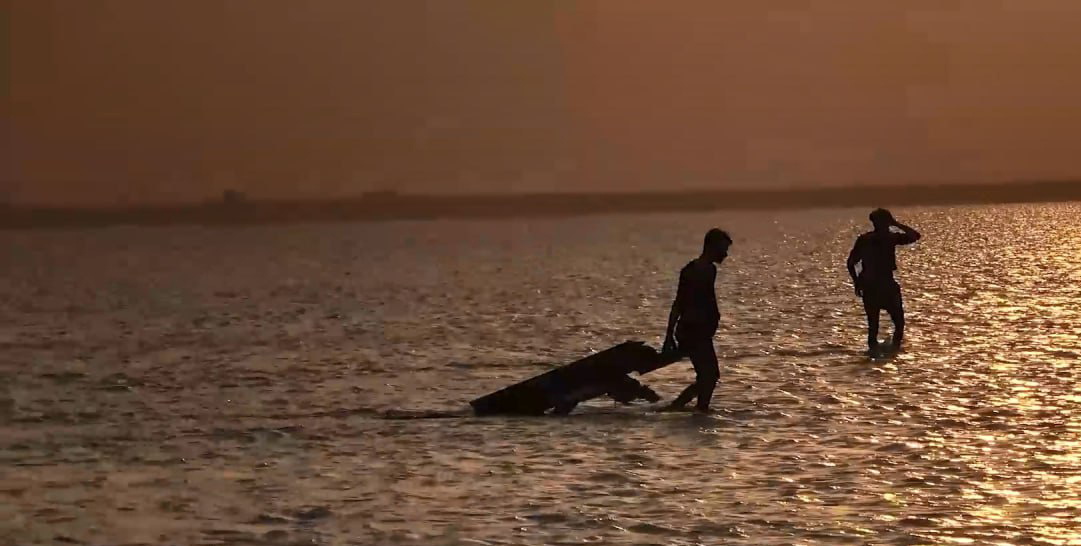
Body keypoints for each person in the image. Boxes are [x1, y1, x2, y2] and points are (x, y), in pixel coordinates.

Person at [661, 228, 732, 413]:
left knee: (707, 376)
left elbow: (699, 301)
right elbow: (681, 302)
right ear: (711, 247)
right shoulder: (700, 270)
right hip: (692, 331)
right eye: (722, 249)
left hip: (695, 331)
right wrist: (669, 335)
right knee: (710, 376)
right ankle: (684, 408)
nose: (725, 254)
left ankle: (695, 409)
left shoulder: (702, 269)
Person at [846, 208, 922, 356]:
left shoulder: (872, 239)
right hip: (881, 285)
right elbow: (914, 235)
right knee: (895, 323)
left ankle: (878, 353)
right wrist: (896, 223)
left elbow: (851, 263)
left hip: (874, 285)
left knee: (875, 325)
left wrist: (857, 282)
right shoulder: (886, 238)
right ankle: (890, 350)